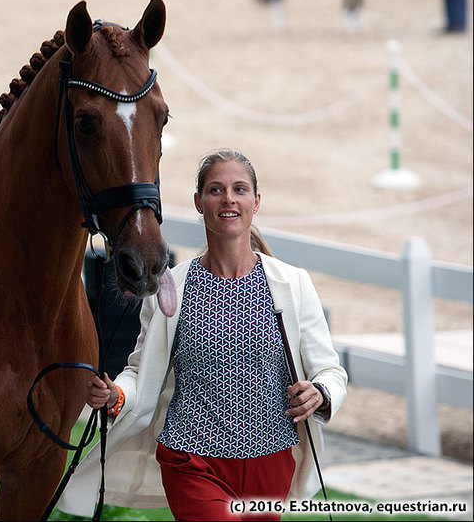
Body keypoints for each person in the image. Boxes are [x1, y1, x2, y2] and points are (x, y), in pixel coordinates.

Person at [58, 148, 348, 521]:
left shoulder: (293, 285)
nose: (228, 198)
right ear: (199, 201)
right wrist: (116, 394)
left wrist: (319, 394)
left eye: (240, 189)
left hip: (271, 461)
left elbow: (331, 373)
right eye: (216, 189)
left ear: (256, 202)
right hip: (190, 458)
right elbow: (139, 369)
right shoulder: (172, 288)